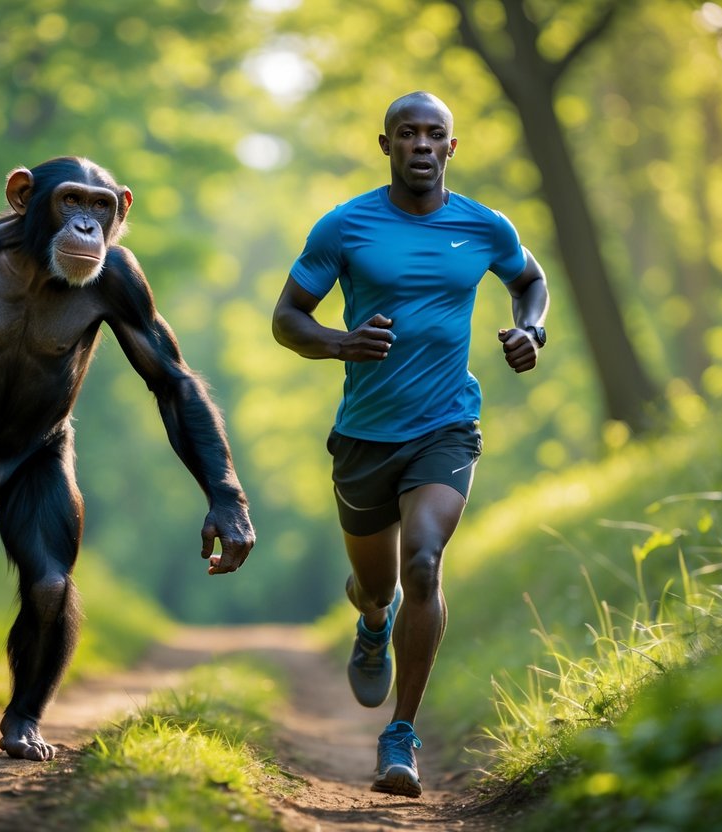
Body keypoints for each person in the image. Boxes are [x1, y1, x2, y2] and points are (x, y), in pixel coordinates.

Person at [271, 91, 549, 798]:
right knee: (379, 584)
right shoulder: (345, 226)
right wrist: (341, 343)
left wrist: (531, 329)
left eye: (434, 135)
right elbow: (286, 318)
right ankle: (371, 617)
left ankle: (399, 736)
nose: (421, 145)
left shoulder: (484, 227)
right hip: (363, 436)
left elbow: (530, 281)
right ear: (386, 144)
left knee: (423, 561)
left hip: (445, 425)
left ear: (451, 148)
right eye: (407, 134)